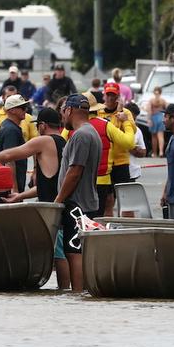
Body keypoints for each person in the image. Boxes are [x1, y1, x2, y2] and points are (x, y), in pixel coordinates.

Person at [0, 107, 71, 288]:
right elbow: (46, 184)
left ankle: (65, 292)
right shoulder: (63, 142)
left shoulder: (43, 141)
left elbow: (13, 153)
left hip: (52, 209)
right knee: (64, 251)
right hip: (63, 203)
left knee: (59, 254)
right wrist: (20, 196)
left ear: (42, 125)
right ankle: (70, 291)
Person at [54, 94, 102, 293]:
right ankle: (81, 294)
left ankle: (78, 296)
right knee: (77, 250)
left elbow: (75, 171)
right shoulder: (91, 132)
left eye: (63, 112)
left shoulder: (82, 135)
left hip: (76, 204)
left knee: (74, 251)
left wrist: (58, 200)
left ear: (69, 110)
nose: (62, 117)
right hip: (85, 202)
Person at [0, 94, 30, 192]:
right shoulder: (11, 130)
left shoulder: (8, 126)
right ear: (11, 110)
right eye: (22, 108)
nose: (25, 110)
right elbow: (9, 160)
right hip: (9, 187)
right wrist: (14, 189)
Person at [147, 87, 167, 158]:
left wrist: (149, 119)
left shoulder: (151, 100)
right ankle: (161, 152)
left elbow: (149, 110)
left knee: (154, 137)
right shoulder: (163, 101)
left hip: (154, 118)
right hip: (161, 117)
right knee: (161, 136)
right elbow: (167, 108)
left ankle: (155, 153)